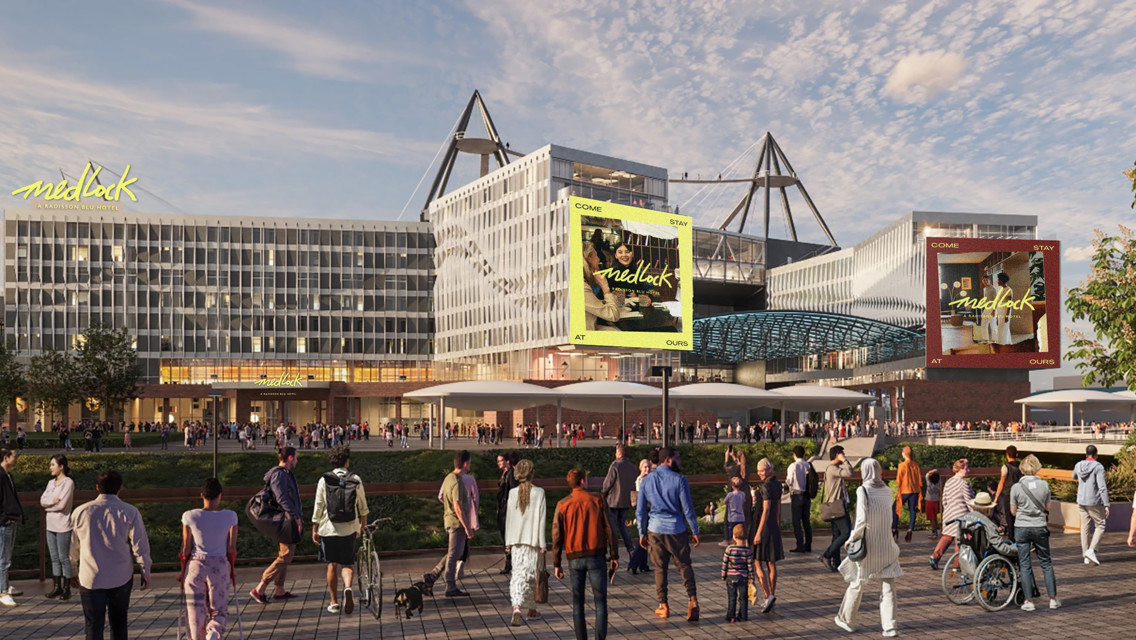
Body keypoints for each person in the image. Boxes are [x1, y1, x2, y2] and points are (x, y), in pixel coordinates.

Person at [70, 470, 152, 640]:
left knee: (93, 625)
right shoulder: (130, 511)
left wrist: (71, 570)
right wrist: (145, 570)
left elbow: (72, 547)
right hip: (120, 575)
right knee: (119, 623)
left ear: (97, 487)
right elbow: (140, 545)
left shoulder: (81, 512)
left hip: (91, 575)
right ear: (120, 488)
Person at [833, 458, 901, 636]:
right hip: (887, 544)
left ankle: (847, 620)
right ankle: (890, 626)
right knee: (888, 585)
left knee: (857, 581)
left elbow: (861, 520)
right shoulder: (887, 491)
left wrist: (851, 538)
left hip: (869, 544)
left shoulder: (863, 490)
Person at [635, 446, 700, 622]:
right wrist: (695, 530)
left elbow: (640, 511)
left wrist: (641, 532)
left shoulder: (647, 481)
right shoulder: (680, 480)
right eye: (677, 458)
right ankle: (692, 600)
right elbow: (687, 508)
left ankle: (663, 605)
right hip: (676, 528)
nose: (679, 462)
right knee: (685, 565)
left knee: (659, 568)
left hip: (655, 529)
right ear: (668, 460)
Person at [553, 468, 618, 640]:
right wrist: (614, 555)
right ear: (582, 481)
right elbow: (610, 529)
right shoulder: (598, 500)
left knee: (577, 603)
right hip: (596, 554)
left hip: (574, 556)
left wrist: (556, 563)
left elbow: (556, 535)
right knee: (600, 601)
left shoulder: (562, 504)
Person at [180, 478, 239, 640]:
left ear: (201, 495)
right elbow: (232, 549)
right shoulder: (231, 516)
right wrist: (231, 569)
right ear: (220, 496)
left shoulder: (189, 516)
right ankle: (213, 632)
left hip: (195, 566)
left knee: (194, 612)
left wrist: (182, 571)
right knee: (218, 609)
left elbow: (185, 548)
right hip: (219, 565)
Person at [312, 445, 368, 614]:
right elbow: (362, 505)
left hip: (328, 529)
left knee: (331, 564)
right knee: (348, 563)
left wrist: (315, 527)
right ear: (347, 461)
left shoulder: (324, 480)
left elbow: (319, 506)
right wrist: (362, 524)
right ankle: (348, 588)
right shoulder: (355, 478)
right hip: (349, 528)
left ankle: (334, 602)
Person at [249, 447, 303, 605]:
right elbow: (281, 497)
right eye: (296, 457)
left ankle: (279, 589)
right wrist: (295, 517)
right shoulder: (279, 474)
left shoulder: (282, 473)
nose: (297, 460)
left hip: (285, 518)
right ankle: (260, 587)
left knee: (285, 553)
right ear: (291, 458)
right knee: (286, 555)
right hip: (285, 520)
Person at [1010, 454, 1060, 611]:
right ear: (1036, 467)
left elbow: (1013, 511)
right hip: (1039, 526)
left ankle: (1029, 601)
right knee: (1046, 562)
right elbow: (1048, 508)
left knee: (1024, 564)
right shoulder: (1044, 485)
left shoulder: (1016, 487)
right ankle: (1052, 599)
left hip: (1021, 527)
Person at [424, 450, 474, 597]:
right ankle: (450, 586)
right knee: (454, 554)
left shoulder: (448, 478)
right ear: (465, 464)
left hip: (450, 519)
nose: (470, 465)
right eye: (469, 463)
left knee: (455, 552)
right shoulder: (457, 482)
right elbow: (458, 506)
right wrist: (467, 527)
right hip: (456, 522)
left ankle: (432, 576)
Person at [505, 459, 547, 626]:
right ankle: (531, 610)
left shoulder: (512, 493)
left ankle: (516, 608)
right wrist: (543, 544)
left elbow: (509, 519)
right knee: (531, 577)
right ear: (532, 473)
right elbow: (542, 521)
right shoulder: (539, 493)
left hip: (516, 541)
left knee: (517, 575)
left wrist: (507, 543)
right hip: (532, 541)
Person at [751, 458, 784, 613]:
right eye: (758, 471)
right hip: (773, 526)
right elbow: (777, 507)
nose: (760, 474)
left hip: (762, 526)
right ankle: (772, 594)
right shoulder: (778, 485)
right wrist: (778, 524)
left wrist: (757, 533)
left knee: (757, 561)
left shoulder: (765, 487)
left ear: (769, 469)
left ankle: (767, 596)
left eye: (762, 470)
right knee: (771, 562)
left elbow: (766, 509)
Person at [40, 454, 75, 600]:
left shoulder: (68, 483)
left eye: (53, 465)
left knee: (63, 557)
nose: (51, 468)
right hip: (51, 525)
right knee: (54, 557)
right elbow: (42, 500)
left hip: (63, 525)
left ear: (61, 467)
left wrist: (50, 505)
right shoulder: (50, 483)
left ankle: (67, 588)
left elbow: (62, 505)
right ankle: (57, 587)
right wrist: (51, 502)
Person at [929, 459, 974, 569]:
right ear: (960, 469)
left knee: (946, 537)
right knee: (959, 540)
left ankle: (934, 557)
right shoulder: (964, 484)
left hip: (949, 514)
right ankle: (956, 565)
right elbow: (970, 502)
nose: (968, 470)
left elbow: (944, 500)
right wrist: (974, 514)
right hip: (961, 515)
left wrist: (949, 510)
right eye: (966, 468)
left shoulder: (949, 482)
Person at [601, 444, 638, 561]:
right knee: (622, 526)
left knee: (611, 528)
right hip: (626, 501)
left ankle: (613, 553)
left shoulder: (615, 466)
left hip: (613, 501)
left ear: (619, 453)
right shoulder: (633, 467)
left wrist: (603, 494)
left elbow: (608, 483)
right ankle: (631, 549)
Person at [1074, 444, 1109, 565]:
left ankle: (1086, 556)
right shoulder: (1098, 466)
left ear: (1086, 454)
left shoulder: (1078, 465)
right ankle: (1091, 550)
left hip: (1081, 500)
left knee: (1085, 527)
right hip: (1094, 500)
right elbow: (1102, 487)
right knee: (1101, 525)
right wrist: (1106, 504)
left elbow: (1074, 476)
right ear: (1096, 454)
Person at [821, 446, 853, 571]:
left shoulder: (833, 469)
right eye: (841, 453)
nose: (844, 455)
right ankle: (827, 554)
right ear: (837, 455)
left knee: (836, 534)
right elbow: (850, 473)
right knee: (846, 532)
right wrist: (845, 461)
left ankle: (836, 561)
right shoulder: (832, 469)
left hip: (835, 505)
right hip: (837, 507)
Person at [0, 447, 22, 607]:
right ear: (6, 458)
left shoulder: (8, 475)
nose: (16, 459)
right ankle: (2, 591)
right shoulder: (1, 476)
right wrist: (4, 518)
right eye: (14, 456)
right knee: (3, 559)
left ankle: (5, 585)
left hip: (11, 520)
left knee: (6, 556)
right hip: (4, 522)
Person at [582, 243, 621, 331]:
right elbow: (613, 315)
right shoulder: (582, 287)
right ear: (589, 258)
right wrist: (605, 287)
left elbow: (591, 303)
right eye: (597, 256)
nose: (599, 259)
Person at [721, 523, 751, 623]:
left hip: (731, 576)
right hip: (743, 577)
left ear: (734, 536)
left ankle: (731, 616)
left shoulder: (729, 549)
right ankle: (743, 615)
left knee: (732, 596)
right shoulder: (747, 550)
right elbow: (750, 566)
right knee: (743, 597)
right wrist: (751, 577)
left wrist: (723, 575)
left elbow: (725, 563)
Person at [626, 458, 652, 575]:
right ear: (640, 468)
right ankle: (634, 563)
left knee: (646, 537)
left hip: (647, 510)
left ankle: (642, 564)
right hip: (643, 510)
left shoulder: (649, 478)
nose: (647, 469)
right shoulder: (641, 480)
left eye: (649, 467)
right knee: (643, 537)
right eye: (645, 467)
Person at [892, 446, 922, 543]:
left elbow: (898, 479)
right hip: (915, 490)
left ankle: (894, 528)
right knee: (912, 510)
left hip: (905, 490)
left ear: (904, 454)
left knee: (895, 507)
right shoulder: (915, 465)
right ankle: (910, 530)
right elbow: (919, 479)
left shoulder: (902, 465)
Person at [786, 445, 813, 552]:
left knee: (796, 521)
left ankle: (800, 545)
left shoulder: (793, 466)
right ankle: (808, 545)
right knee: (806, 521)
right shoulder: (808, 465)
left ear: (794, 454)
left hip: (796, 495)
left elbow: (789, 481)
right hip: (807, 495)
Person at [993, 445, 1022, 541]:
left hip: (1009, 494)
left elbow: (1001, 482)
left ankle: (1012, 538)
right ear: (1017, 454)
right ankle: (1020, 537)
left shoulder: (1005, 467)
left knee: (1009, 518)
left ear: (1006, 455)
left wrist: (996, 497)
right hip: (1020, 494)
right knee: (1019, 516)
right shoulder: (1022, 466)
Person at [497, 452, 519, 575]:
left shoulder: (510, 474)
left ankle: (509, 563)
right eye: (498, 461)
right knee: (506, 537)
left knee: (508, 537)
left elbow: (512, 492)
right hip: (504, 509)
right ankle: (509, 562)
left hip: (507, 511)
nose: (499, 463)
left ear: (507, 461)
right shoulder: (505, 474)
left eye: (501, 461)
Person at [993, 272, 1013, 345]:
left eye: (998, 279)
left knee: (1002, 327)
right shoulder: (1001, 289)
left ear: (1001, 280)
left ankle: (1001, 343)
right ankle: (1006, 342)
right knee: (1002, 327)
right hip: (1000, 310)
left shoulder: (1008, 290)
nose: (997, 281)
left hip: (1005, 310)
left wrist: (1007, 315)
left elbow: (1009, 303)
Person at [924, 469, 941, 539]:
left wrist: (933, 471)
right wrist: (936, 471)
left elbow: (927, 474)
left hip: (929, 500)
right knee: (934, 517)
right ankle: (935, 530)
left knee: (932, 518)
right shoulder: (938, 482)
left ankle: (934, 532)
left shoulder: (929, 483)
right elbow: (937, 475)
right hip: (935, 500)